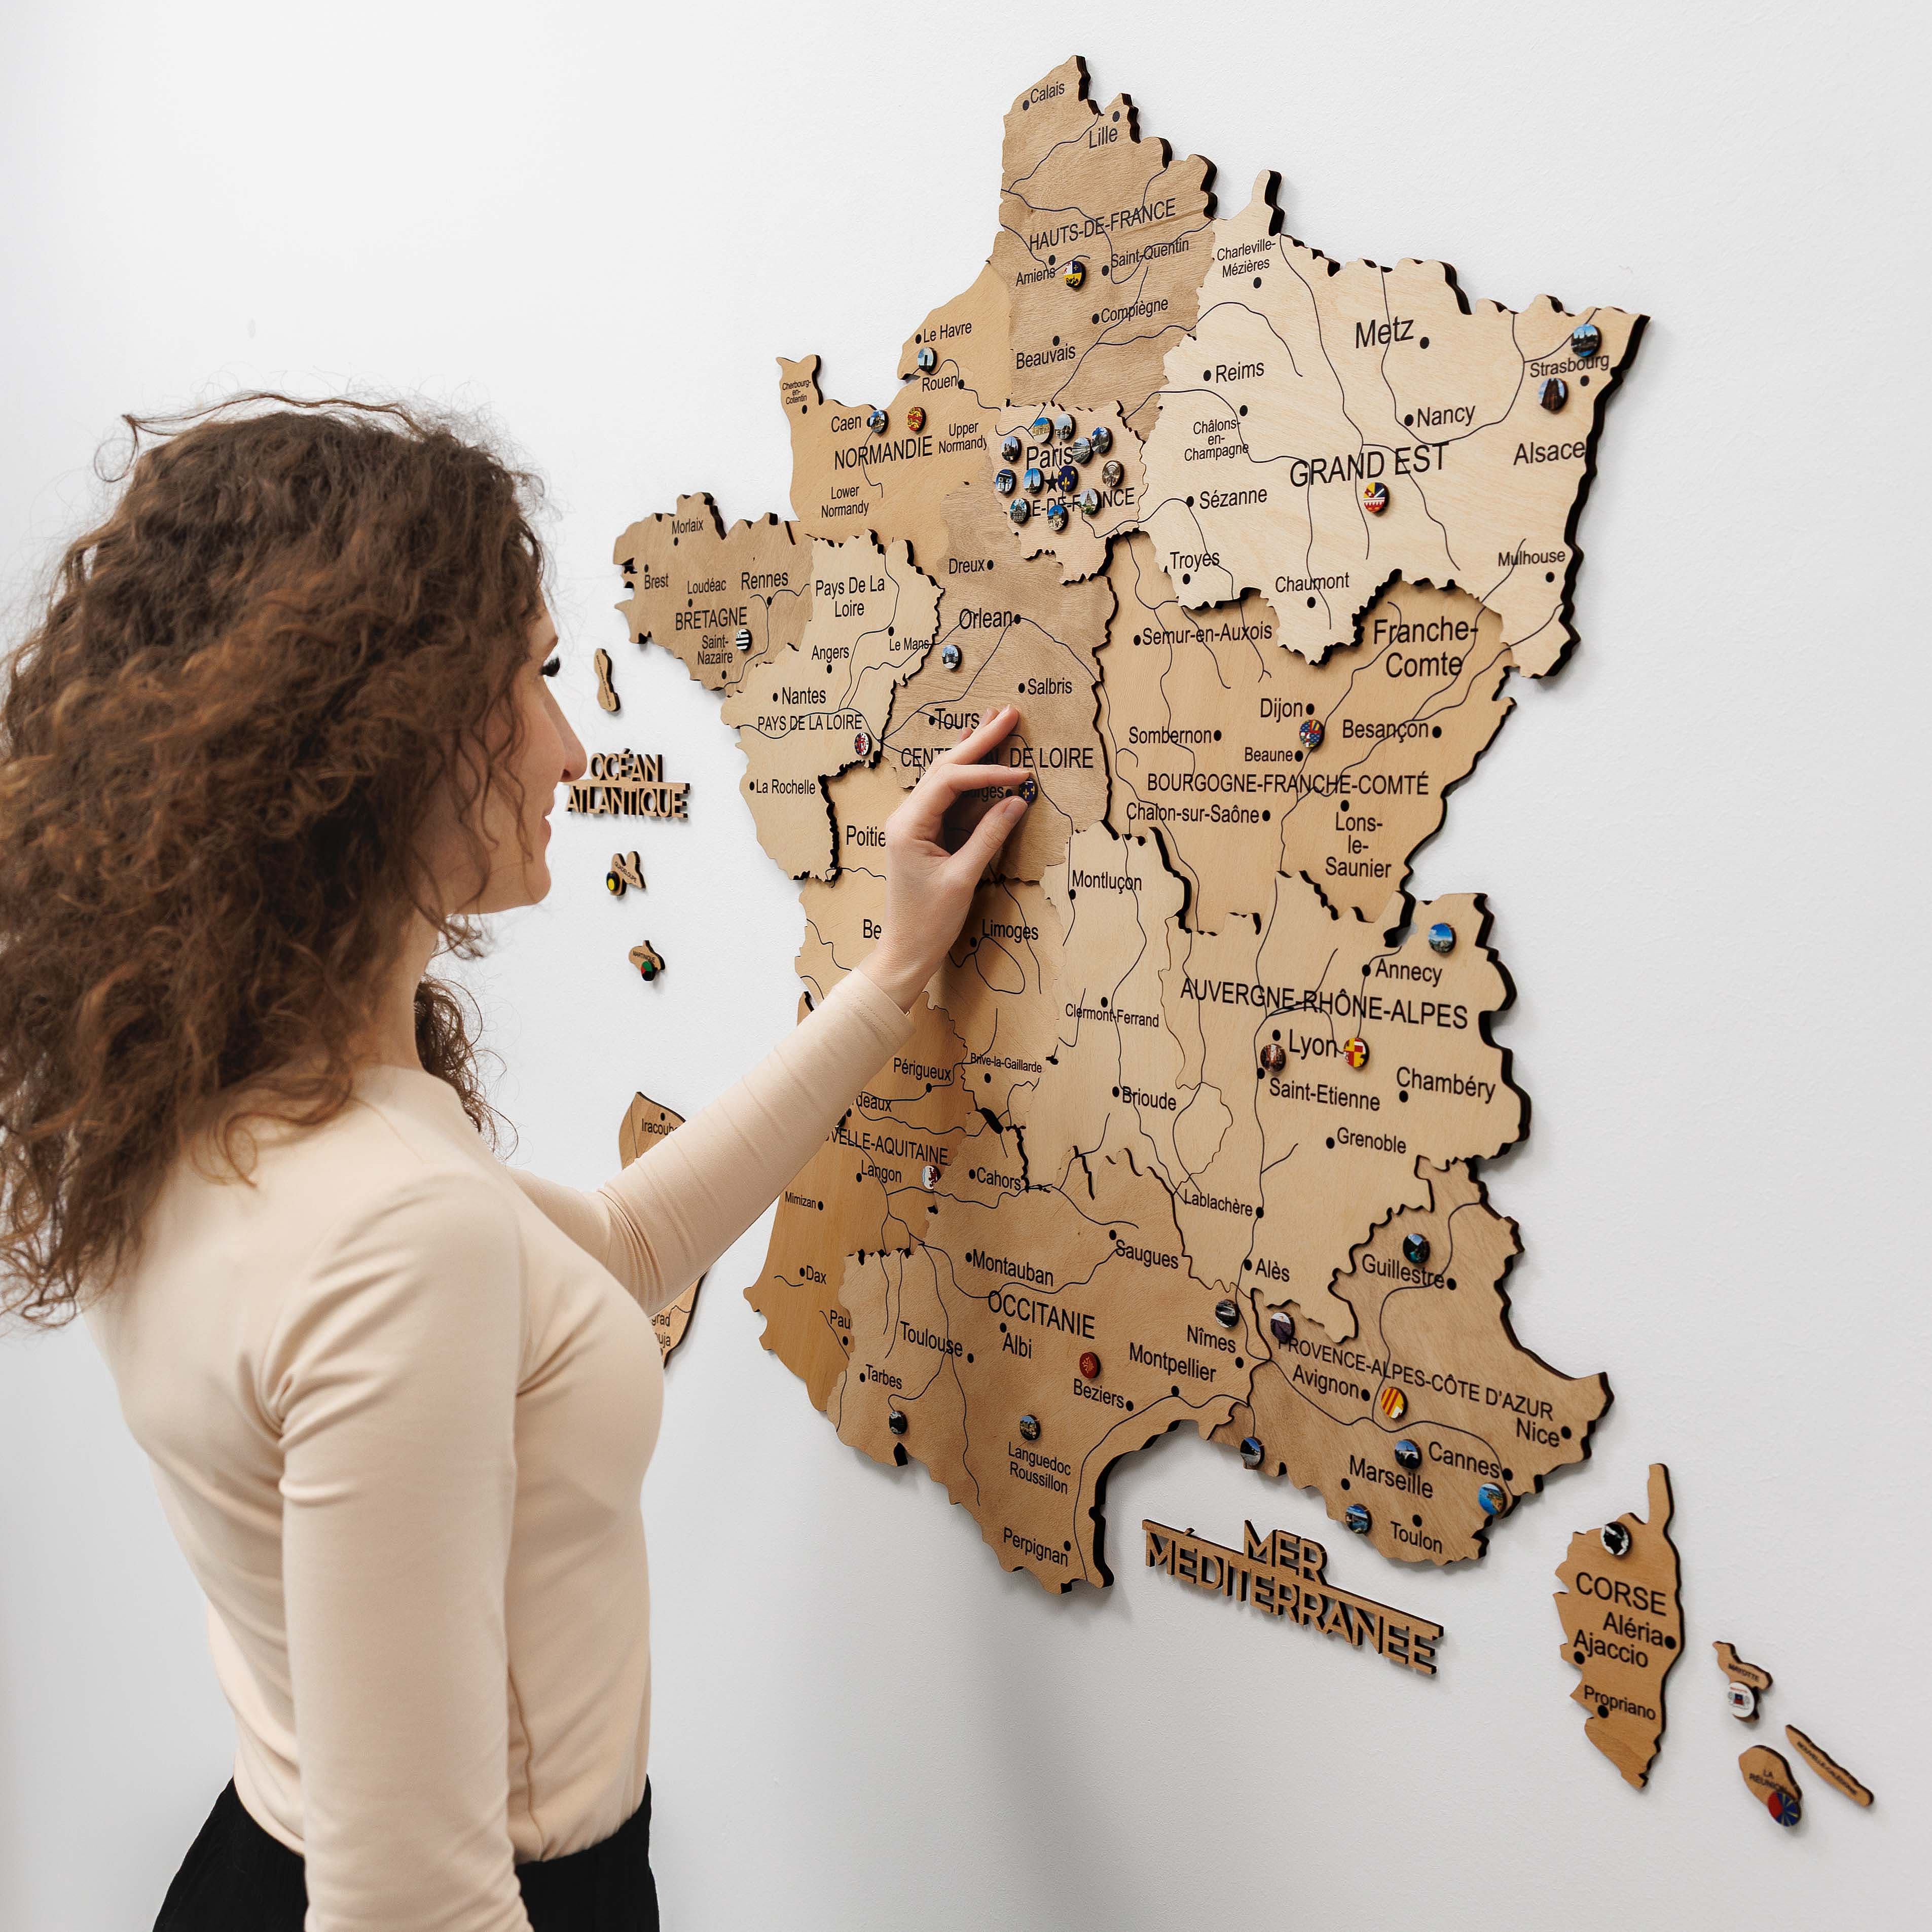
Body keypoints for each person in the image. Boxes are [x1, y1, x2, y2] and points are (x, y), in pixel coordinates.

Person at [0, 398, 1031, 1930]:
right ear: (381, 733)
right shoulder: (389, 1223)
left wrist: (890, 978)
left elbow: (609, 1252)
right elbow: (410, 1905)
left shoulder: (220, 1110)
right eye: (535, 680)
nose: (572, 744)